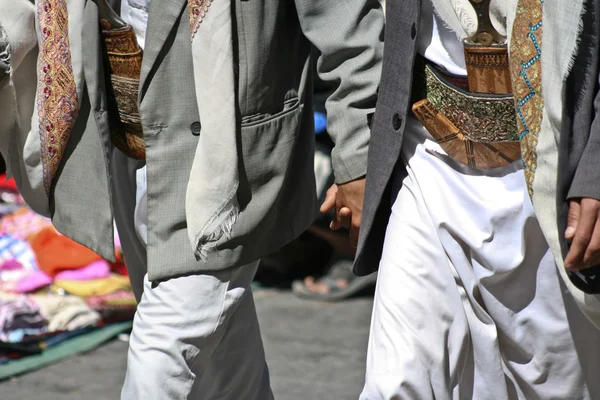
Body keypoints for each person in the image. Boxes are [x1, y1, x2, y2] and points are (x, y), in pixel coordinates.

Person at [0, 0, 384, 398]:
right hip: (129, 148)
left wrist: (359, 155)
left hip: (226, 168)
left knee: (160, 358)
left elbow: (348, 26)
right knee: (225, 360)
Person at [350, 0, 600, 398]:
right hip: (428, 156)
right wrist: (354, 150)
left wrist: (596, 170)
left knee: (560, 385)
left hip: (553, 166)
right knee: (395, 383)